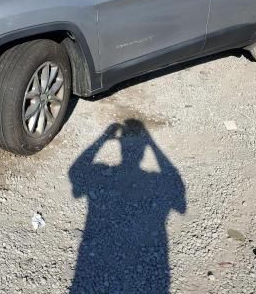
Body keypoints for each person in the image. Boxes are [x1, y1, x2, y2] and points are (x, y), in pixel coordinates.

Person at [69, 119, 186, 294]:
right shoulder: (154, 179)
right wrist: (151, 143)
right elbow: (178, 194)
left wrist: (103, 138)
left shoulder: (103, 174)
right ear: (143, 152)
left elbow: (76, 173)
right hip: (152, 269)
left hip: (92, 260)